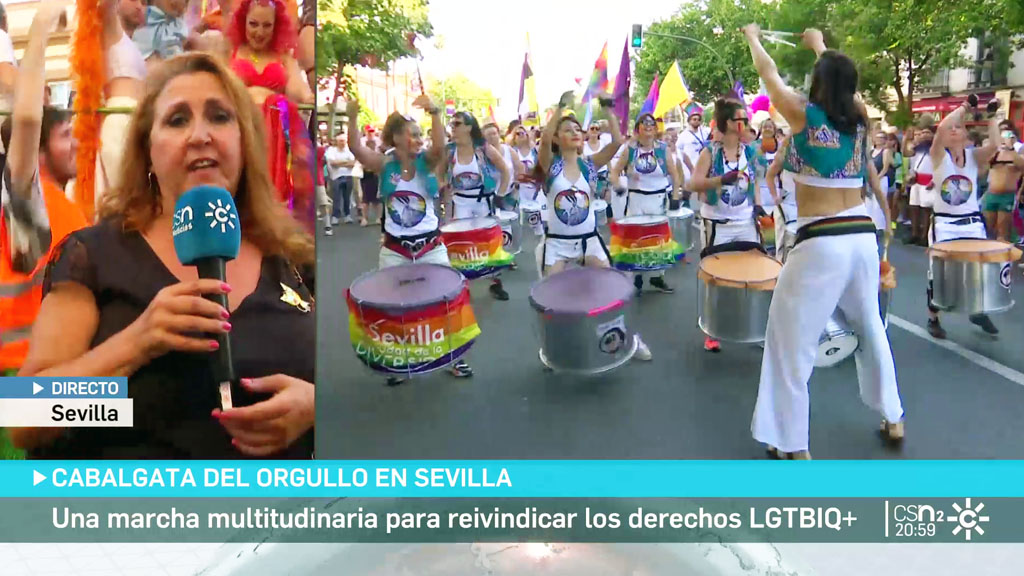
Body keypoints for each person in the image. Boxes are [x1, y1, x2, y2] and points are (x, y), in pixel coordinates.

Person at [12, 52, 316, 459]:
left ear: (245, 142)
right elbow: (25, 421)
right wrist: (136, 345)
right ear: (147, 152)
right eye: (177, 120)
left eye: (220, 116)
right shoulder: (95, 257)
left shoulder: (294, 259)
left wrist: (316, 407)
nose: (200, 135)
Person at [745, 25, 901, 459]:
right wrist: (819, 47)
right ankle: (894, 415)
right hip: (861, 236)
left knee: (789, 340)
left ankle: (793, 443)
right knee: (871, 326)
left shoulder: (802, 115)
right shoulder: (861, 118)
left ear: (817, 84)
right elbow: (840, 80)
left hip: (822, 240)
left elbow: (769, 73)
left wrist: (754, 37)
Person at [345, 95, 475, 383]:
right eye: (413, 134)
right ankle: (400, 363)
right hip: (395, 250)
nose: (418, 139)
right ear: (396, 138)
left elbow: (440, 146)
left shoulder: (428, 162)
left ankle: (454, 357)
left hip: (430, 247)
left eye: (420, 134)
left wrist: (435, 113)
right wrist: (352, 117)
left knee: (446, 301)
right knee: (394, 306)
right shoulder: (383, 164)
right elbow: (356, 148)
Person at [1, 2, 88, 377]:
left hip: (48, 379)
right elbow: (25, 118)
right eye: (66, 135)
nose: (77, 145)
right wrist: (41, 26)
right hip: (21, 385)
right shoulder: (26, 202)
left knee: (121, 408)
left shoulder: (63, 207)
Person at [537, 94, 652, 361]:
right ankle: (555, 349)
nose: (576, 133)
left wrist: (609, 109)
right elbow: (544, 139)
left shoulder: (589, 165)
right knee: (550, 300)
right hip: (557, 243)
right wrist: (561, 109)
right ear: (558, 138)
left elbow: (616, 141)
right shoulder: (550, 167)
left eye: (578, 129)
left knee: (615, 290)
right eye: (568, 130)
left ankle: (630, 340)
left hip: (589, 240)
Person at [227, 0, 316, 231]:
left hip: (275, 138)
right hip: (240, 133)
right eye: (253, 24)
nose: (259, 32)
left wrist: (307, 96)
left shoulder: (285, 57)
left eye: (267, 25)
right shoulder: (230, 52)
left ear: (276, 26)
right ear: (242, 22)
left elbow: (298, 88)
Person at [924, 95, 1007, 339]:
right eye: (951, 127)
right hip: (945, 224)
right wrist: (965, 108)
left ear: (965, 136)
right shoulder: (939, 156)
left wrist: (993, 118)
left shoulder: (973, 157)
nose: (952, 130)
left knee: (979, 268)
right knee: (939, 273)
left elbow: (995, 145)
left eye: (958, 128)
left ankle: (977, 309)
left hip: (972, 223)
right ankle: (933, 318)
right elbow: (941, 128)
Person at [690, 98, 765, 353]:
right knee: (715, 279)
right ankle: (712, 330)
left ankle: (753, 327)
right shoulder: (709, 152)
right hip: (717, 224)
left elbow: (755, 181)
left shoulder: (750, 151)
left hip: (745, 222)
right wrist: (722, 179)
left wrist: (757, 205)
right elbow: (695, 183)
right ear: (727, 123)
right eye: (739, 119)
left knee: (755, 274)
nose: (744, 123)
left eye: (746, 119)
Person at [609, 112, 682, 296]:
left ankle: (657, 276)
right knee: (636, 240)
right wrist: (618, 185)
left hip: (658, 199)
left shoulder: (663, 149)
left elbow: (674, 174)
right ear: (637, 129)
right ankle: (637, 277)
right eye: (644, 123)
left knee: (658, 240)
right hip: (636, 200)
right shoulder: (630, 150)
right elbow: (615, 172)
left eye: (651, 124)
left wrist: (675, 196)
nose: (648, 126)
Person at [441, 112, 510, 301]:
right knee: (460, 243)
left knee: (489, 242)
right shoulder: (449, 151)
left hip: (483, 201)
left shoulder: (483, 149)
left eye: (458, 123)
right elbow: (439, 176)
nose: (453, 127)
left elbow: (505, 169)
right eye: (452, 124)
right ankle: (463, 284)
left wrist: (500, 195)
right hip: (459, 202)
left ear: (469, 127)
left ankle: (495, 282)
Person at [95, 0, 148, 212]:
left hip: (135, 122)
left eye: (144, 2)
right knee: (124, 201)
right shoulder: (110, 28)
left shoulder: (128, 42)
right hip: (119, 122)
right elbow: (102, 7)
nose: (139, 6)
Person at [984, 124, 1024, 241]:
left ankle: (1003, 258)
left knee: (1003, 231)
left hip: (1007, 196)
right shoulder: (995, 153)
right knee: (988, 229)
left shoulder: (1018, 154)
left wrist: (1010, 148)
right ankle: (989, 255)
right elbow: (985, 165)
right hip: (991, 194)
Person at [907, 126, 935, 246]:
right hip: (916, 180)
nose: (924, 135)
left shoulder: (936, 148)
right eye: (922, 133)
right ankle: (915, 234)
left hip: (928, 180)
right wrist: (905, 140)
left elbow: (941, 166)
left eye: (927, 132)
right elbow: (907, 155)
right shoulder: (919, 148)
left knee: (925, 209)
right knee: (914, 207)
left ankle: (924, 236)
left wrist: (934, 180)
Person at [325, 133, 356, 229]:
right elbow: (333, 163)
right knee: (336, 197)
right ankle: (335, 216)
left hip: (348, 176)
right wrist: (346, 163)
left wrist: (340, 163)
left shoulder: (349, 150)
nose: (343, 143)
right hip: (336, 177)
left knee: (347, 197)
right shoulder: (331, 150)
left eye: (344, 141)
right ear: (337, 142)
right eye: (341, 141)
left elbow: (353, 163)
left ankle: (347, 215)